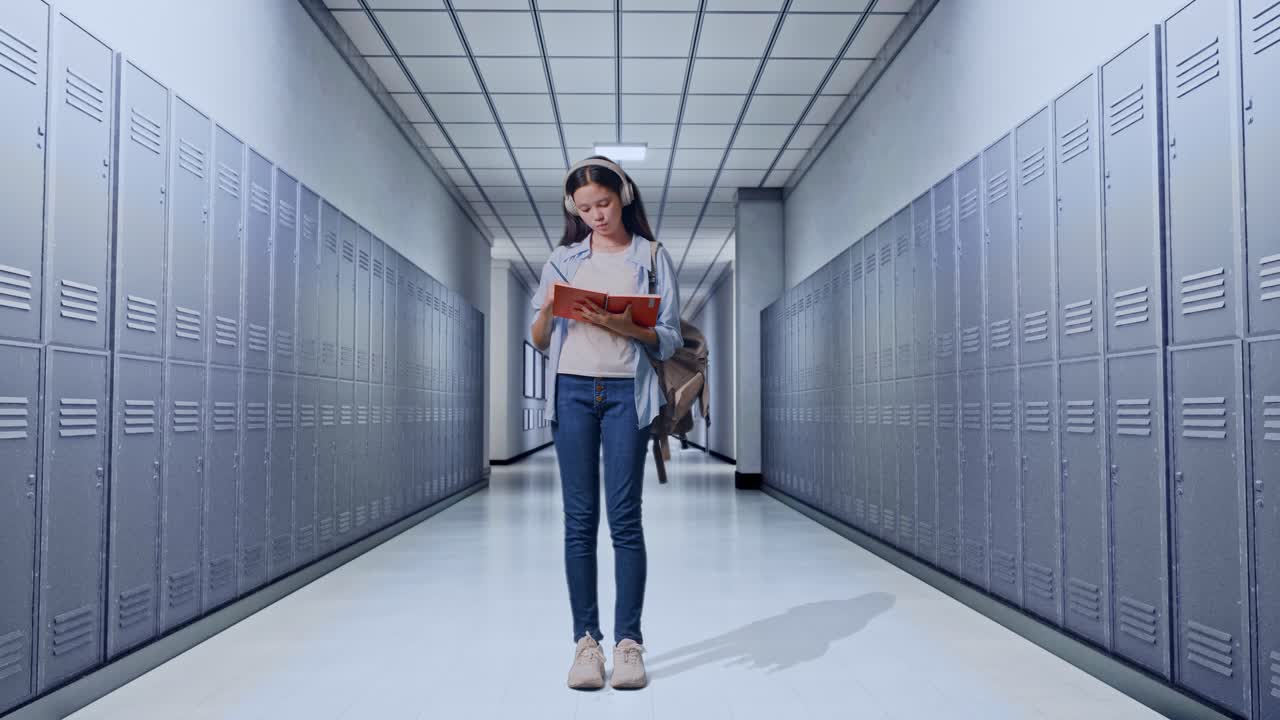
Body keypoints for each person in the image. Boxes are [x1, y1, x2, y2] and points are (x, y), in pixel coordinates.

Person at [530, 156, 682, 690]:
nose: (596, 214)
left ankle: (629, 644)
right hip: (571, 392)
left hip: (624, 397)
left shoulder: (652, 257)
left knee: (624, 520)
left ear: (625, 197)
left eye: (605, 203)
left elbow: (670, 337)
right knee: (578, 520)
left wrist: (627, 325)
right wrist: (550, 308)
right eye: (585, 207)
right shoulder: (563, 260)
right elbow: (541, 339)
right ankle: (586, 644)